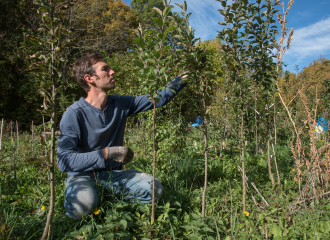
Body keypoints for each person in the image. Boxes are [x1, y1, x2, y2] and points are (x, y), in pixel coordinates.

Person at [57, 52, 188, 219]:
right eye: (105, 69)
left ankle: (105, 197)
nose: (112, 72)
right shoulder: (74, 113)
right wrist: (106, 153)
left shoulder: (120, 103)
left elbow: (158, 99)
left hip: (111, 175)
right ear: (89, 78)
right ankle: (86, 195)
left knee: (155, 189)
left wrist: (183, 77)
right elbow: (64, 161)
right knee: (82, 208)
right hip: (83, 176)